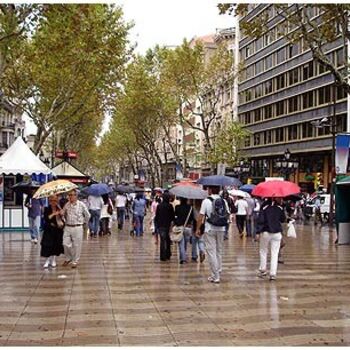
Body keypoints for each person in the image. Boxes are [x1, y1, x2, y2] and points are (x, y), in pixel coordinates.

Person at [195, 186, 230, 284]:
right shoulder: (224, 201)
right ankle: (218, 270)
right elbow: (227, 214)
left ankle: (215, 276)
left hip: (210, 228)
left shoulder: (206, 201)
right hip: (221, 228)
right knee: (219, 251)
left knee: (211, 252)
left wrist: (198, 229)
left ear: (210, 190)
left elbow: (201, 216)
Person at [256, 197, 286, 281]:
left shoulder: (264, 207)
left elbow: (260, 220)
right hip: (277, 233)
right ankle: (273, 274)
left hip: (265, 232)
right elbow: (283, 219)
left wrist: (257, 232)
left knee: (263, 251)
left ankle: (263, 269)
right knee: (275, 253)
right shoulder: (280, 207)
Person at [61, 189, 90, 268]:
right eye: (69, 195)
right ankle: (68, 258)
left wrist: (84, 222)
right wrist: (62, 215)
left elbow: (87, 215)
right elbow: (63, 214)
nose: (70, 197)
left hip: (77, 227)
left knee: (77, 245)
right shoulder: (67, 204)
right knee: (65, 243)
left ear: (76, 196)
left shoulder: (81, 205)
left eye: (72, 195)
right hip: (67, 226)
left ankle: (75, 261)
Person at [40, 195, 64, 268]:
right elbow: (47, 218)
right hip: (49, 229)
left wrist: (61, 212)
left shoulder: (59, 208)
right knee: (47, 245)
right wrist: (54, 214)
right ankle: (47, 260)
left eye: (55, 200)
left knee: (55, 245)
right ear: (49, 201)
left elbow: (63, 217)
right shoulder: (47, 208)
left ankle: (53, 260)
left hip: (57, 229)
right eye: (52, 201)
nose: (54, 202)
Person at [155, 192, 175, 261]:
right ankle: (168, 254)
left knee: (162, 240)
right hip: (167, 225)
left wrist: (157, 224)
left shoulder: (159, 206)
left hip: (160, 225)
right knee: (167, 239)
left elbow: (156, 216)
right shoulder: (170, 206)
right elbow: (172, 217)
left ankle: (162, 256)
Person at [174, 197, 194, 264]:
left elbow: (175, 216)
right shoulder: (190, 208)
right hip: (188, 227)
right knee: (185, 243)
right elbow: (192, 218)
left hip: (180, 227)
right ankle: (183, 256)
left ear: (180, 200)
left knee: (181, 244)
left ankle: (182, 258)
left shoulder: (177, 207)